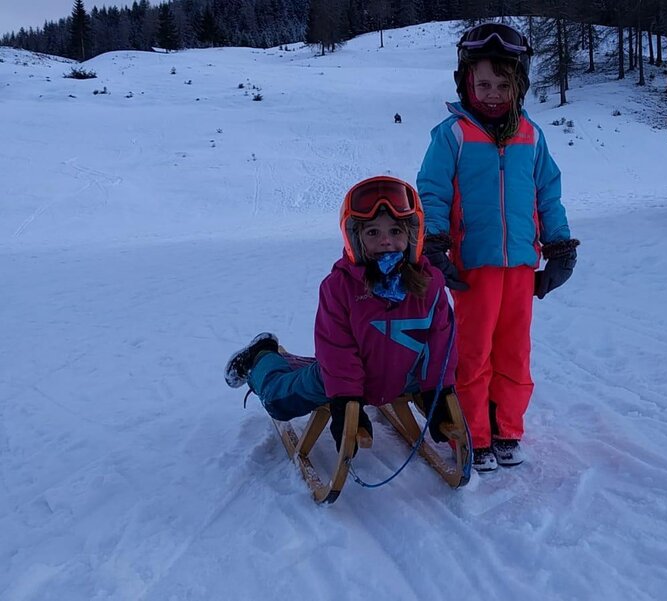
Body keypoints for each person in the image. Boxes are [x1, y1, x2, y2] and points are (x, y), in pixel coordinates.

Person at [417, 23, 579, 472]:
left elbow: (548, 194)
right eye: (483, 84)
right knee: (474, 352)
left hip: (522, 265)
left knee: (514, 352)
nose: (492, 94)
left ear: (519, 85)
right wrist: (434, 244)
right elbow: (432, 192)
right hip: (473, 266)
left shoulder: (532, 135)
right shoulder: (452, 134)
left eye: (503, 85)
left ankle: (507, 429)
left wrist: (560, 247)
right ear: (465, 81)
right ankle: (475, 432)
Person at [223, 176, 457, 449]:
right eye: (373, 233)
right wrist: (346, 399)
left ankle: (306, 367)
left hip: (400, 374)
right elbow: (336, 348)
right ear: (356, 238)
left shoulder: (429, 285)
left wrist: (438, 392)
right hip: (335, 376)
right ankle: (262, 355)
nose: (386, 241)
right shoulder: (339, 287)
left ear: (412, 235)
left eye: (395, 231)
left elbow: (440, 344)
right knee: (278, 402)